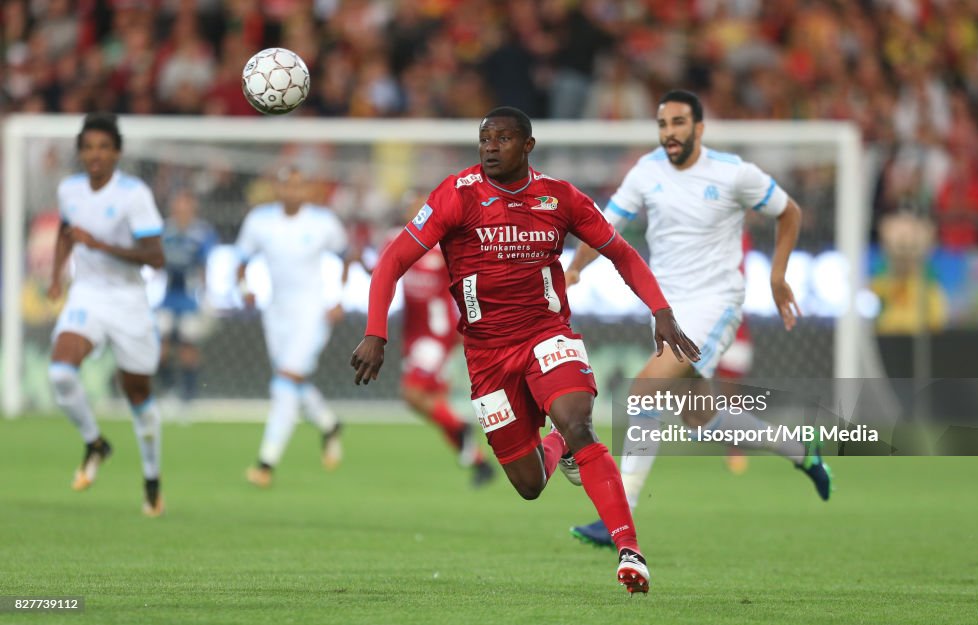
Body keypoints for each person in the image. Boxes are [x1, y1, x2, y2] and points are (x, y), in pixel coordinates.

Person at [350, 106, 702, 594]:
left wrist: (659, 309)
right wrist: (375, 332)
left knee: (577, 419)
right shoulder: (458, 195)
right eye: (485, 139)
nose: (491, 146)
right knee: (530, 484)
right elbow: (392, 261)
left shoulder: (559, 197)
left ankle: (629, 551)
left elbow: (620, 251)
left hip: (546, 334)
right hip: (487, 357)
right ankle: (560, 447)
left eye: (503, 138)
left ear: (527, 146)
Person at [566, 90, 833, 548]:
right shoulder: (647, 171)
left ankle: (619, 517)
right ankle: (801, 450)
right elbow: (604, 227)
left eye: (678, 123)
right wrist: (573, 269)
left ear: (699, 129)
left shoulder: (733, 173)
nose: (670, 133)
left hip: (716, 304)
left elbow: (789, 211)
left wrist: (777, 274)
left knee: (644, 389)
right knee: (699, 415)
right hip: (668, 309)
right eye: (663, 125)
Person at [47, 112, 167, 517]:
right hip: (88, 296)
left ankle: (151, 477)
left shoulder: (134, 194)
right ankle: (95, 441)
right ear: (80, 153)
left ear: (116, 152)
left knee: (137, 393)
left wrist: (98, 245)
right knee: (61, 372)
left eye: (103, 147)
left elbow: (156, 256)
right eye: (88, 147)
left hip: (129, 301)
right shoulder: (70, 190)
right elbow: (68, 234)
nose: (95, 155)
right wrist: (55, 277)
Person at [236, 167, 345, 488]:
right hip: (276, 312)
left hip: (311, 312)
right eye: (285, 185)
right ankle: (329, 423)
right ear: (276, 188)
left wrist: (337, 297)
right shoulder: (259, 221)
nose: (292, 192)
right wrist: (245, 290)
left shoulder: (323, 221)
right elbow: (240, 260)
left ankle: (266, 463)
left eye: (298, 186)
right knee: (291, 380)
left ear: (307, 189)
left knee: (284, 383)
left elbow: (346, 255)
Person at [391, 201, 497, 487]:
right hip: (413, 337)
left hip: (436, 336)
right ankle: (479, 463)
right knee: (433, 404)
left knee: (412, 395)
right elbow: (381, 272)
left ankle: (461, 427)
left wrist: (468, 327)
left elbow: (467, 285)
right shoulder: (398, 243)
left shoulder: (443, 250)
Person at [156, 189, 219, 407]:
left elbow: (205, 266)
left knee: (187, 346)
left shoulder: (202, 232)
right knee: (160, 348)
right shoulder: (164, 230)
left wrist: (206, 297)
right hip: (168, 295)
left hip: (190, 297)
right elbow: (156, 262)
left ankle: (189, 396)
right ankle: (169, 390)